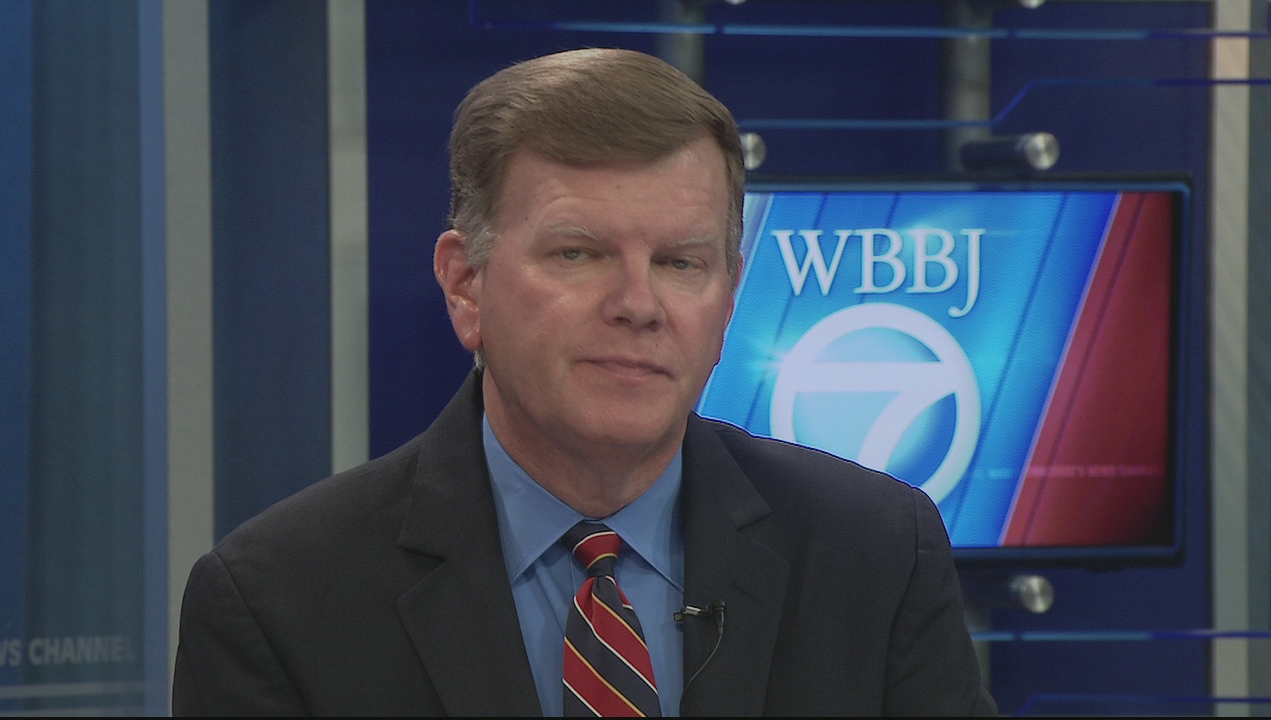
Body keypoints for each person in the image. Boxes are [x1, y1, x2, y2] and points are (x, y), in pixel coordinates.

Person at [172, 47, 998, 716]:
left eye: (680, 263)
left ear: (728, 300)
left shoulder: (876, 555)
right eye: (579, 253)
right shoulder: (279, 602)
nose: (638, 305)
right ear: (465, 286)